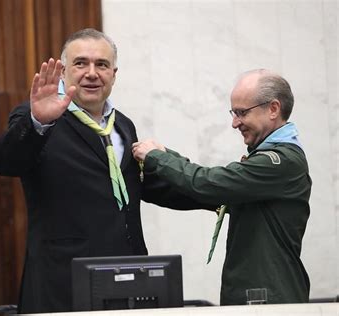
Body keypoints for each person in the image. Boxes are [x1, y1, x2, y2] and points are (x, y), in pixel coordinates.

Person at [0, 28, 206, 313]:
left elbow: (143, 186)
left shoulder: (123, 126)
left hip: (128, 283)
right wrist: (37, 122)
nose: (92, 73)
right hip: (63, 285)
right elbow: (5, 162)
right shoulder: (37, 117)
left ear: (114, 74)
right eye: (81, 63)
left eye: (101, 65)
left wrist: (221, 192)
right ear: (64, 71)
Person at [132, 69, 311, 305]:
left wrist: (158, 158)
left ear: (273, 109)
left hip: (267, 302)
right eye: (234, 113)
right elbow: (199, 191)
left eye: (241, 113)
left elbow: (208, 184)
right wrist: (144, 176)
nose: (235, 123)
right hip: (259, 297)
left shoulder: (280, 161)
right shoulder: (270, 162)